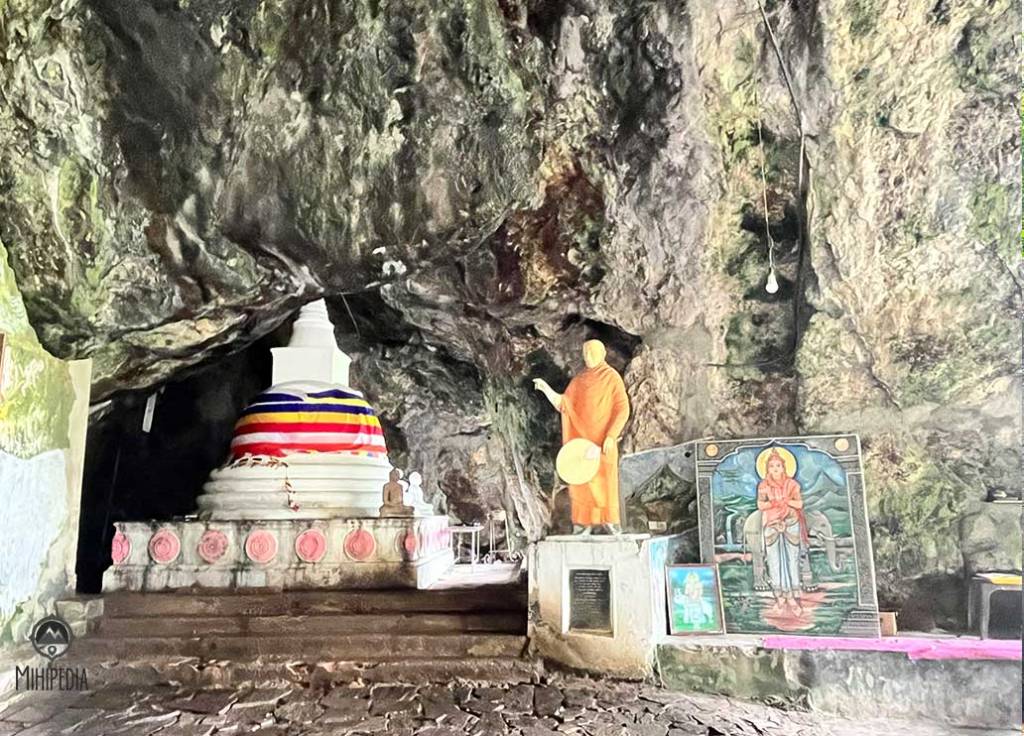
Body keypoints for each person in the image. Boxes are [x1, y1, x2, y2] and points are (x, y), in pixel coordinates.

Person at [533, 339, 630, 534]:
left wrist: (611, 435)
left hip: (603, 443)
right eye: (585, 353)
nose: (588, 357)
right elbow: (564, 404)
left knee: (605, 482)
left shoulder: (611, 377)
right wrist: (546, 389)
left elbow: (622, 409)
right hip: (581, 442)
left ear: (602, 354)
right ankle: (584, 523)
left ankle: (609, 521)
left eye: (592, 352)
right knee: (581, 481)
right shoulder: (579, 380)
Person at [756, 449, 808, 609]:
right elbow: (760, 505)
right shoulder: (764, 485)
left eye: (778, 465)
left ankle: (792, 595)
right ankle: (778, 595)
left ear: (784, 467)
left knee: (792, 559)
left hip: (791, 523)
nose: (775, 469)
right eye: (771, 466)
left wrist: (786, 501)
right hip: (771, 524)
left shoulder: (792, 484)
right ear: (767, 469)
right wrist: (773, 503)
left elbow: (799, 504)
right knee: (773, 560)